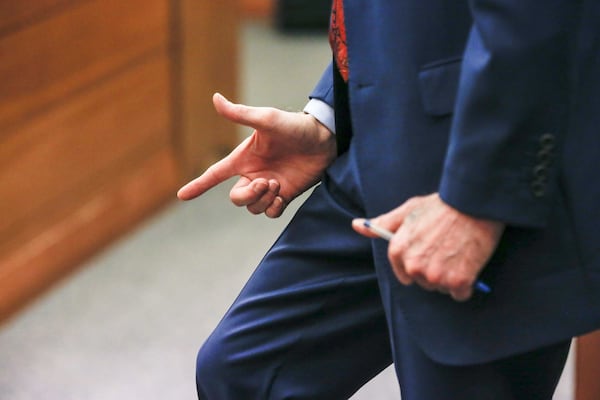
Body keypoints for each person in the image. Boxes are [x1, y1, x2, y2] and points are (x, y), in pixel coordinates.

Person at [177, 0, 600, 398]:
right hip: (377, 139)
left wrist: (480, 200)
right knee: (241, 373)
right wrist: (329, 116)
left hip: (488, 161)